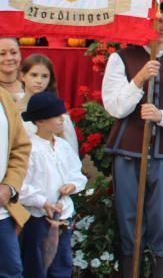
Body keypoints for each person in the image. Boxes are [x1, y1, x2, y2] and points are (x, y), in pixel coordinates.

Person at [101, 0, 163, 277]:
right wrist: (139, 79)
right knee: (128, 218)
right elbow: (115, 107)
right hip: (129, 150)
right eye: (158, 21)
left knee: (162, 220)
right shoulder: (120, 59)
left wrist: (161, 116)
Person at [18, 92, 86, 278]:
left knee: (62, 263)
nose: (62, 119)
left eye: (62, 114)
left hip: (63, 215)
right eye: (56, 115)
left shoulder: (63, 146)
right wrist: (42, 202)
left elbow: (77, 173)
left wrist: (72, 185)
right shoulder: (30, 148)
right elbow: (21, 186)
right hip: (39, 218)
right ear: (40, 121)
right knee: (37, 265)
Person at [0, 74, 30, 278]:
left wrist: (9, 186)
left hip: (1, 211)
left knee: (11, 272)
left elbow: (21, 148)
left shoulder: (3, 97)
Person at [18, 55, 77, 151]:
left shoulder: (59, 113)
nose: (39, 81)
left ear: (50, 79)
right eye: (34, 75)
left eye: (45, 76)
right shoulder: (11, 110)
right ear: (22, 76)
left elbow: (70, 151)